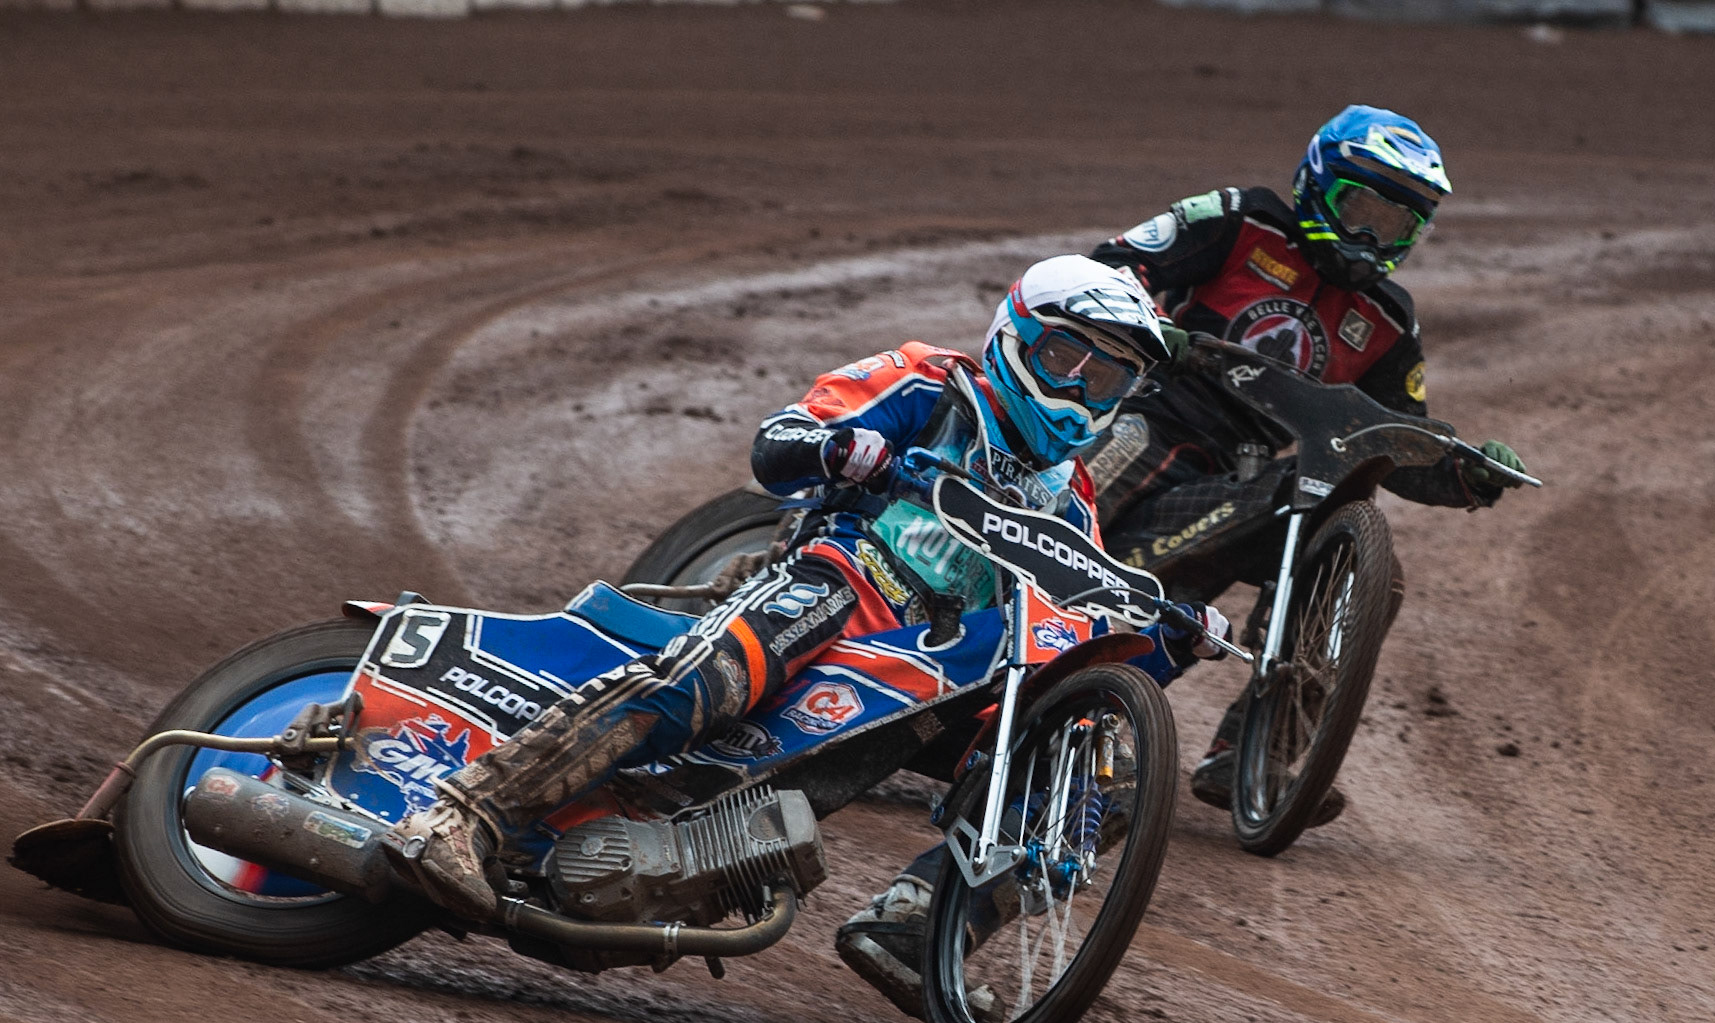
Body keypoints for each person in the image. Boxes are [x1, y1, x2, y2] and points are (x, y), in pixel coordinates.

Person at [389, 255, 1228, 932]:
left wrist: (1165, 622)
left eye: (1107, 377)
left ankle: (925, 921)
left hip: (936, 669)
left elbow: (1076, 602)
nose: (1080, 388)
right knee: (714, 678)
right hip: (838, 584)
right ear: (1017, 336)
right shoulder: (932, 382)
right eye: (1064, 358)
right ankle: (465, 815)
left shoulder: (1071, 493)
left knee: (1092, 780)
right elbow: (779, 442)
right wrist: (844, 450)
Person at [1085, 104, 1527, 814]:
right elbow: (1109, 264)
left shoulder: (1387, 319)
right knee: (1069, 514)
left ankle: (1252, 753)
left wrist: (1463, 474)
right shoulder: (1240, 221)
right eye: (1361, 209)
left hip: (1243, 479)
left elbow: (1393, 439)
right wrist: (1147, 322)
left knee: (1365, 569)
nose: (1369, 236)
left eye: (1394, 225)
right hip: (1151, 417)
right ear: (1317, 183)